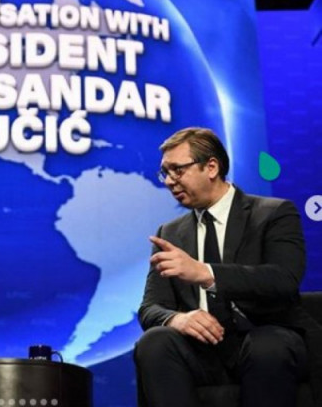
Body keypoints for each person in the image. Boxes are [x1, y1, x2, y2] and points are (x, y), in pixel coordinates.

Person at [135, 127, 322, 407]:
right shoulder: (170, 233)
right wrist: (177, 319)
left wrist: (206, 273)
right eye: (165, 173)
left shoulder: (273, 213)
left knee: (267, 346)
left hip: (265, 335)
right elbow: (150, 307)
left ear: (211, 167)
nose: (170, 181)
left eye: (178, 170)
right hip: (203, 351)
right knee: (155, 342)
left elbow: (283, 279)